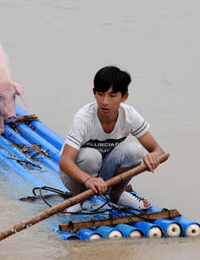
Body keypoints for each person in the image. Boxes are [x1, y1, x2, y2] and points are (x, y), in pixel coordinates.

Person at [59, 66, 165, 211]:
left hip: (104, 176)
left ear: (124, 97)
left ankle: (117, 196)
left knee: (135, 150)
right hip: (78, 177)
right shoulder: (84, 118)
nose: (105, 102)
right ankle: (78, 201)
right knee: (91, 155)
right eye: (101, 94)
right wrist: (88, 179)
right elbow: (65, 161)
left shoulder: (129, 116)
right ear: (94, 93)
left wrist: (153, 157)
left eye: (112, 96)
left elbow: (158, 150)